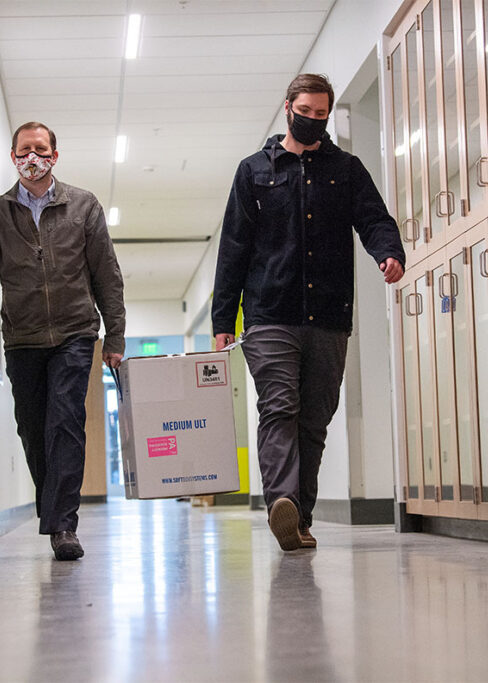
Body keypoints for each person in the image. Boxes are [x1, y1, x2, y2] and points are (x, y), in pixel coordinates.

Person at [212, 74, 405, 551]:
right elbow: (233, 247)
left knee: (313, 420)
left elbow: (374, 218)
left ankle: (301, 518)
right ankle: (283, 501)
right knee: (279, 407)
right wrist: (222, 320)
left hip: (328, 314)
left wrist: (388, 251)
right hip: (268, 314)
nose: (313, 120)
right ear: (288, 108)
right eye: (306, 111)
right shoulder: (254, 171)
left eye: (322, 114)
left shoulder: (346, 169)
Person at [0, 121, 125, 560]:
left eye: (41, 149)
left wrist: (115, 336)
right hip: (23, 338)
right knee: (33, 428)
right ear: (13, 157)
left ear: (55, 154)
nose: (33, 157)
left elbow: (107, 274)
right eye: (24, 150)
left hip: (74, 332)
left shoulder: (83, 207)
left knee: (65, 422)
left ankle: (63, 525)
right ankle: (54, 511)